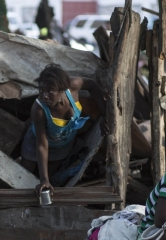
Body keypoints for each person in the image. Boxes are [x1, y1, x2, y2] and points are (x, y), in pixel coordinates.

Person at [20, 64, 107, 196]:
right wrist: (44, 180)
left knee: (52, 176)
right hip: (36, 144)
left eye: (50, 91)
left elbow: (93, 86)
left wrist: (106, 114)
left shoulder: (73, 86)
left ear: (62, 89)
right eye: (41, 90)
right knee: (24, 177)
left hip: (63, 144)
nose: (44, 96)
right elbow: (42, 145)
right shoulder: (39, 110)